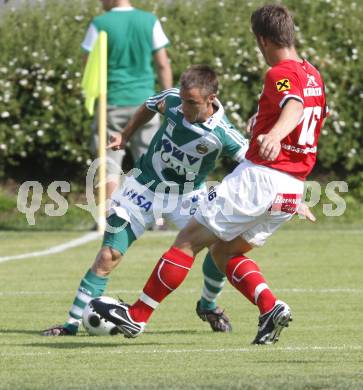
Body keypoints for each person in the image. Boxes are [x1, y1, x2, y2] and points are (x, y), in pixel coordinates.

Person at [91, 4, 328, 345]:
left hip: (261, 177)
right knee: (224, 252)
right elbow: (307, 115)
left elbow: (295, 105)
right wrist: (269, 131)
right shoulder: (314, 74)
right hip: (291, 187)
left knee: (187, 242)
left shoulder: (280, 72)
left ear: (262, 39)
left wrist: (274, 135)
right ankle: (270, 308)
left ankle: (137, 316)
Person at [42, 65, 249, 336]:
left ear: (211, 98)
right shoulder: (173, 99)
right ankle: (70, 325)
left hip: (186, 197)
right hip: (142, 189)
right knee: (108, 255)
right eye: (183, 100)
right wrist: (126, 135)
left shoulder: (225, 135)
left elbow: (253, 164)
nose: (184, 108)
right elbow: (149, 105)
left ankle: (208, 305)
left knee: (223, 249)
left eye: (192, 103)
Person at [82, 0, 173, 200]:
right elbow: (163, 64)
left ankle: (110, 214)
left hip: (111, 102)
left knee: (109, 162)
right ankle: (155, 216)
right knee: (149, 161)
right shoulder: (149, 21)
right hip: (146, 104)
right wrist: (168, 100)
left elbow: (88, 65)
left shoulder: (99, 23)